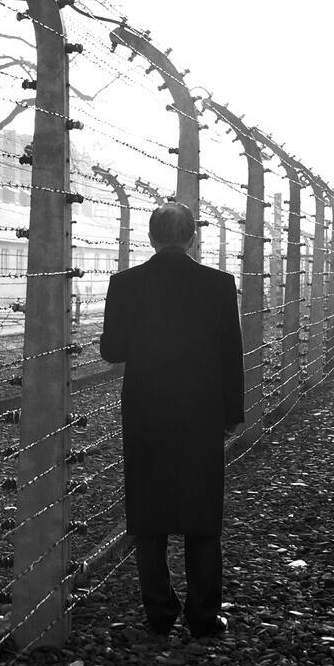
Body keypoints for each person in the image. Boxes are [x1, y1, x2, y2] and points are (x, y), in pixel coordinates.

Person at [99, 202, 244, 639]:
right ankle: (203, 615)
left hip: (146, 411)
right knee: (203, 511)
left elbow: (112, 350)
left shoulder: (126, 284)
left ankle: (159, 612)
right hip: (202, 411)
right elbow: (231, 355)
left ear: (151, 238)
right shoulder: (219, 285)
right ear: (192, 239)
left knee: (149, 512)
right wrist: (231, 414)